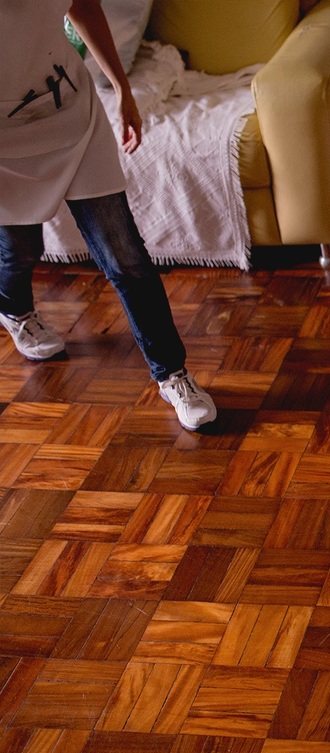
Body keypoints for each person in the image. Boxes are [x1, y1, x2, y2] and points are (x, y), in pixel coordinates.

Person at [0, 0, 216, 430]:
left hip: (72, 113)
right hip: (5, 141)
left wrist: (121, 89)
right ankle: (13, 309)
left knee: (125, 257)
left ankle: (173, 374)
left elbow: (82, 6)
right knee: (21, 248)